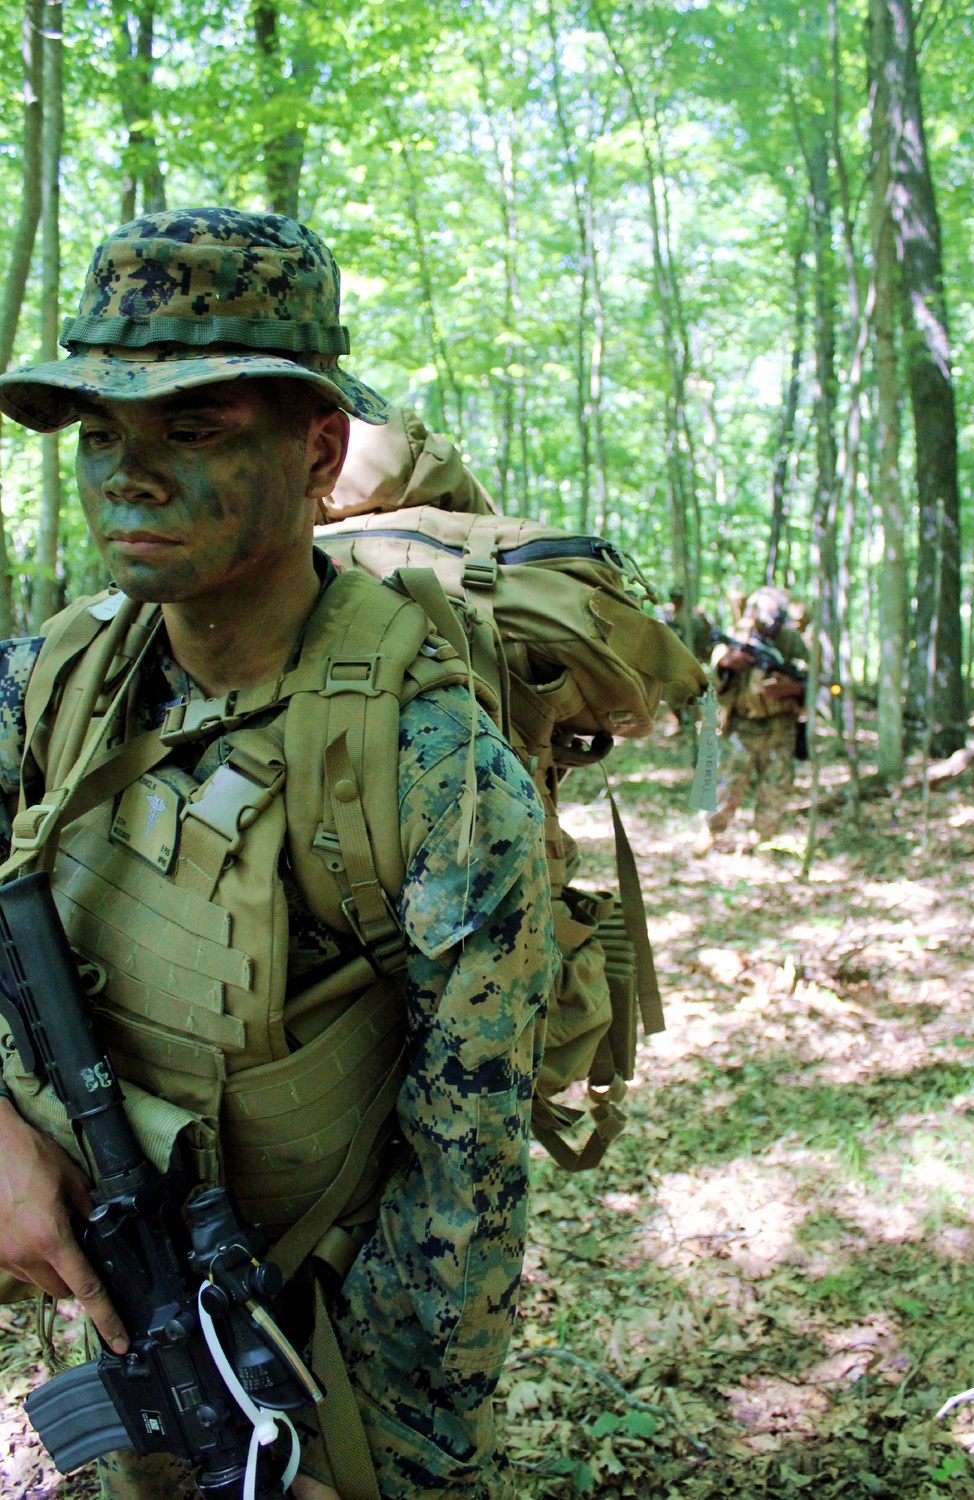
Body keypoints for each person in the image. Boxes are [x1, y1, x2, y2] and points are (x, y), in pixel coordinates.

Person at [0, 209, 558, 1500]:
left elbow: (461, 1202)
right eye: (99, 434)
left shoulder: (431, 775)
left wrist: (378, 1473)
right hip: (125, 1297)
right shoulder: (59, 686)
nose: (125, 474)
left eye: (189, 430)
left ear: (317, 454)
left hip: (320, 1365)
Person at [697, 585, 808, 849]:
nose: (770, 627)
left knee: (775, 786)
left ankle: (764, 840)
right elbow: (710, 684)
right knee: (728, 783)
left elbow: (813, 680)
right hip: (742, 725)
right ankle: (712, 832)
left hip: (781, 725)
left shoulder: (792, 642)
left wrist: (793, 689)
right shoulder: (736, 637)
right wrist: (726, 667)